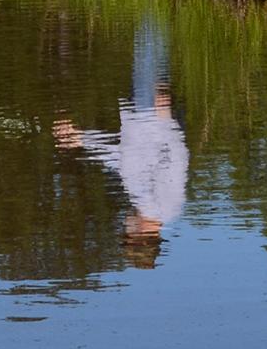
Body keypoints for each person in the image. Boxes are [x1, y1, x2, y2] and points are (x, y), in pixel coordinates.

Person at [51, 19, 189, 269]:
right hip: (152, 113)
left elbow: (121, 157)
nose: (124, 226)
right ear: (138, 236)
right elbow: (177, 160)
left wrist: (80, 138)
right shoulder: (165, 207)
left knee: (149, 43)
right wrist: (166, 119)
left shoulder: (144, 201)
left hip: (142, 111)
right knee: (150, 39)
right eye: (126, 233)